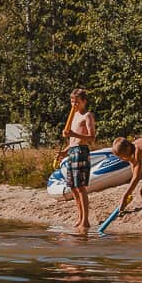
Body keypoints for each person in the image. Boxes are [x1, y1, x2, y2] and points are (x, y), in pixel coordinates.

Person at [61, 88, 96, 231]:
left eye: (77, 102)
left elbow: (92, 138)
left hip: (82, 151)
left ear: (84, 102)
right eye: (72, 101)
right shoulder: (74, 115)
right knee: (73, 187)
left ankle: (86, 220)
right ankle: (80, 217)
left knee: (80, 186)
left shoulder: (87, 116)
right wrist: (64, 151)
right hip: (72, 151)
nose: (74, 104)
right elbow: (73, 140)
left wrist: (73, 133)